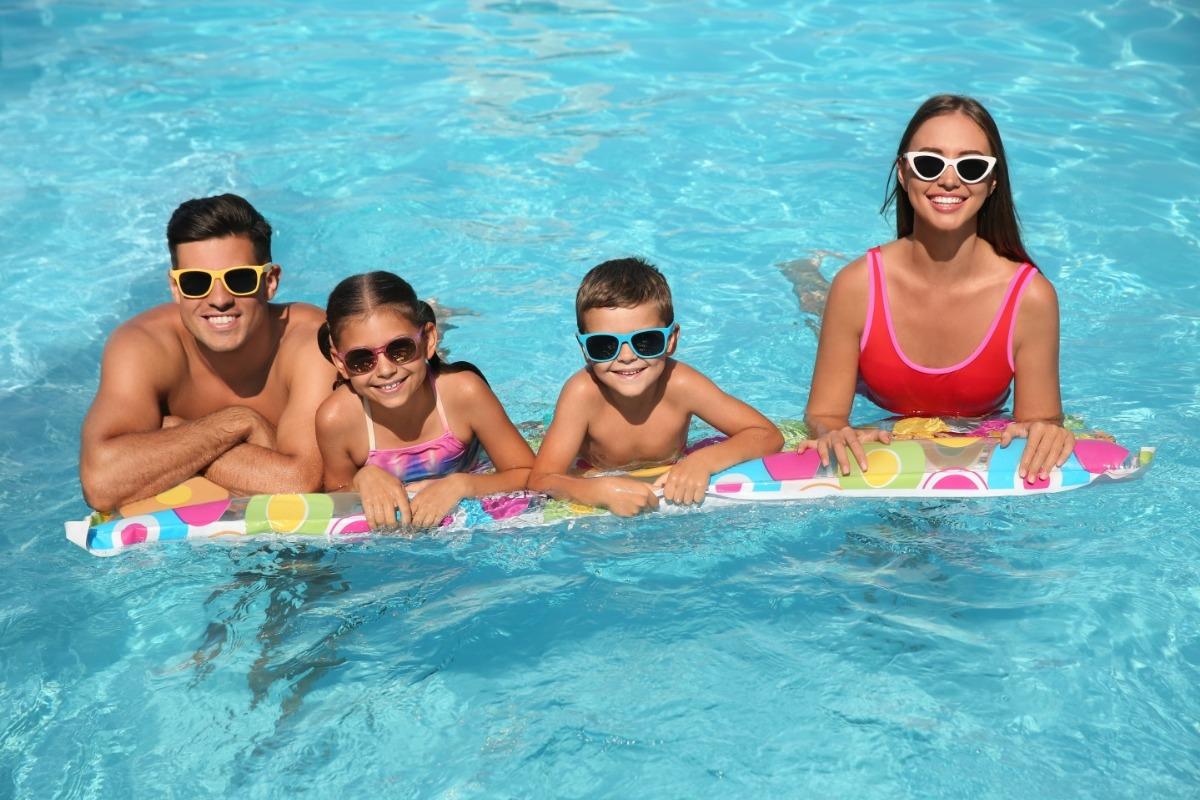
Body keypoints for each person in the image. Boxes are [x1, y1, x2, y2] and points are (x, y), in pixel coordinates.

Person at [802, 94, 1074, 483]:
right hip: (877, 400)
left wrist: (1045, 430)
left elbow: (1040, 420)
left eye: (971, 166)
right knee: (817, 305)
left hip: (973, 429)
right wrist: (832, 432)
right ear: (903, 172)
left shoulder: (1030, 298)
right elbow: (824, 414)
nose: (949, 180)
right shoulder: (857, 286)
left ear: (992, 181)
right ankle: (805, 277)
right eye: (929, 164)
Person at [79, 194, 335, 511]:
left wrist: (175, 432)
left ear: (269, 281)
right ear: (175, 288)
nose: (219, 299)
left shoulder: (312, 340)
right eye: (196, 282)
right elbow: (101, 484)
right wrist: (237, 423)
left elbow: (303, 483)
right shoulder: (143, 345)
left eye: (239, 279)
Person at [528, 258, 783, 517]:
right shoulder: (582, 394)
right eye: (604, 345)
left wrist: (703, 461)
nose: (626, 356)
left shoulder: (681, 384)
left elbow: (767, 435)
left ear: (671, 340)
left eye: (646, 341)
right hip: (591, 467)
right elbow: (541, 479)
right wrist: (595, 491)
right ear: (584, 348)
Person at [315, 271, 534, 529]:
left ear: (429, 339)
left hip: (470, 462)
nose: (384, 370)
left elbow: (531, 475)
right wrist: (363, 478)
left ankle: (435, 323)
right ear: (340, 363)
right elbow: (336, 494)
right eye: (361, 359)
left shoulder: (464, 393)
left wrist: (463, 484)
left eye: (399, 349)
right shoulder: (337, 419)